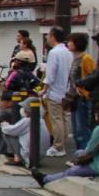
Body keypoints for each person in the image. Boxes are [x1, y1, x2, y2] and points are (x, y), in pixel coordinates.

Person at [33, 101, 99, 187]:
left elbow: (89, 150)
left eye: (96, 113)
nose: (95, 115)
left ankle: (46, 179)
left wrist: (78, 160)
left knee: (72, 170)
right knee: (78, 154)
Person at [43, 27, 72, 157]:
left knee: (56, 120)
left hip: (55, 91)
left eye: (48, 35)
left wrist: (44, 90)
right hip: (67, 91)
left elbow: (50, 74)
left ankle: (58, 146)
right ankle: (63, 144)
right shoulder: (68, 52)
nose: (47, 37)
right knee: (64, 119)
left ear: (53, 36)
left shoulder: (54, 53)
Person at [0, 99, 50, 168]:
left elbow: (10, 130)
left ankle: (17, 158)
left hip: (28, 155)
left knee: (7, 133)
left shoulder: (28, 120)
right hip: (40, 156)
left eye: (24, 107)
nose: (22, 109)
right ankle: (18, 157)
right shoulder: (41, 120)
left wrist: (4, 125)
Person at [68, 32, 96, 150]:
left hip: (83, 98)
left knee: (82, 129)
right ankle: (78, 154)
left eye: (71, 41)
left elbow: (91, 77)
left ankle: (83, 154)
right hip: (74, 97)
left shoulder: (86, 58)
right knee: (75, 129)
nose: (68, 43)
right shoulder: (75, 58)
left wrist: (83, 90)